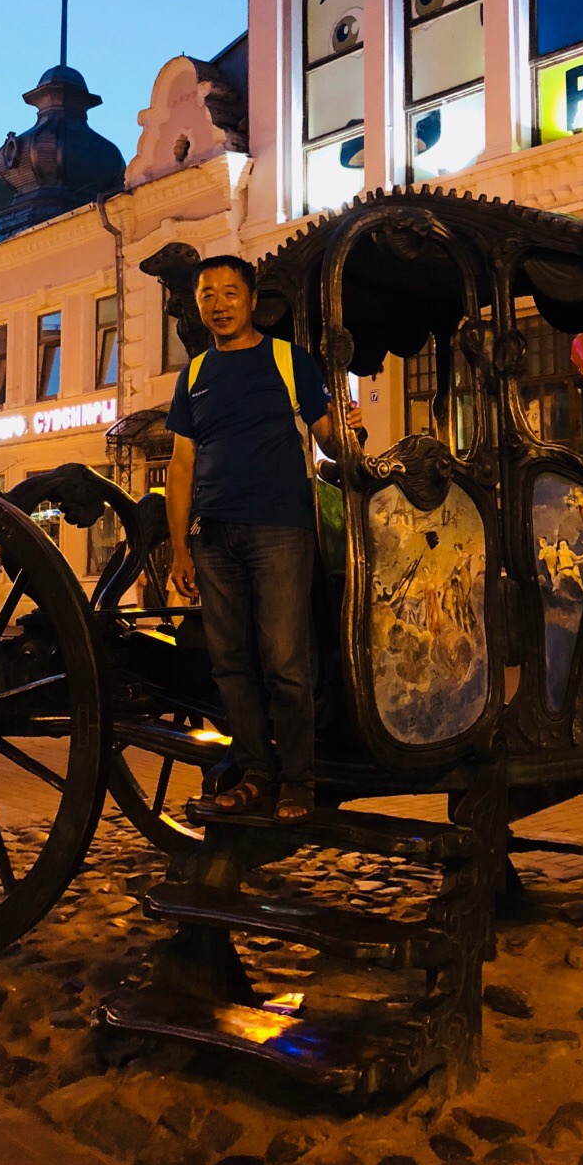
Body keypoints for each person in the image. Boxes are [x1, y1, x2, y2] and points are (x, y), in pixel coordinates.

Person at [166, 254, 362, 823]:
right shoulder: (195, 375)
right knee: (231, 663)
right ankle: (255, 773)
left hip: (280, 529)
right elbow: (182, 464)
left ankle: (299, 780)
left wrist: (348, 433)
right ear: (199, 307)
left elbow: (327, 436)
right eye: (208, 295)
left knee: (284, 661)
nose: (219, 304)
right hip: (213, 535)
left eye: (230, 293)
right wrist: (180, 546)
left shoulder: (286, 360)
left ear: (251, 301)